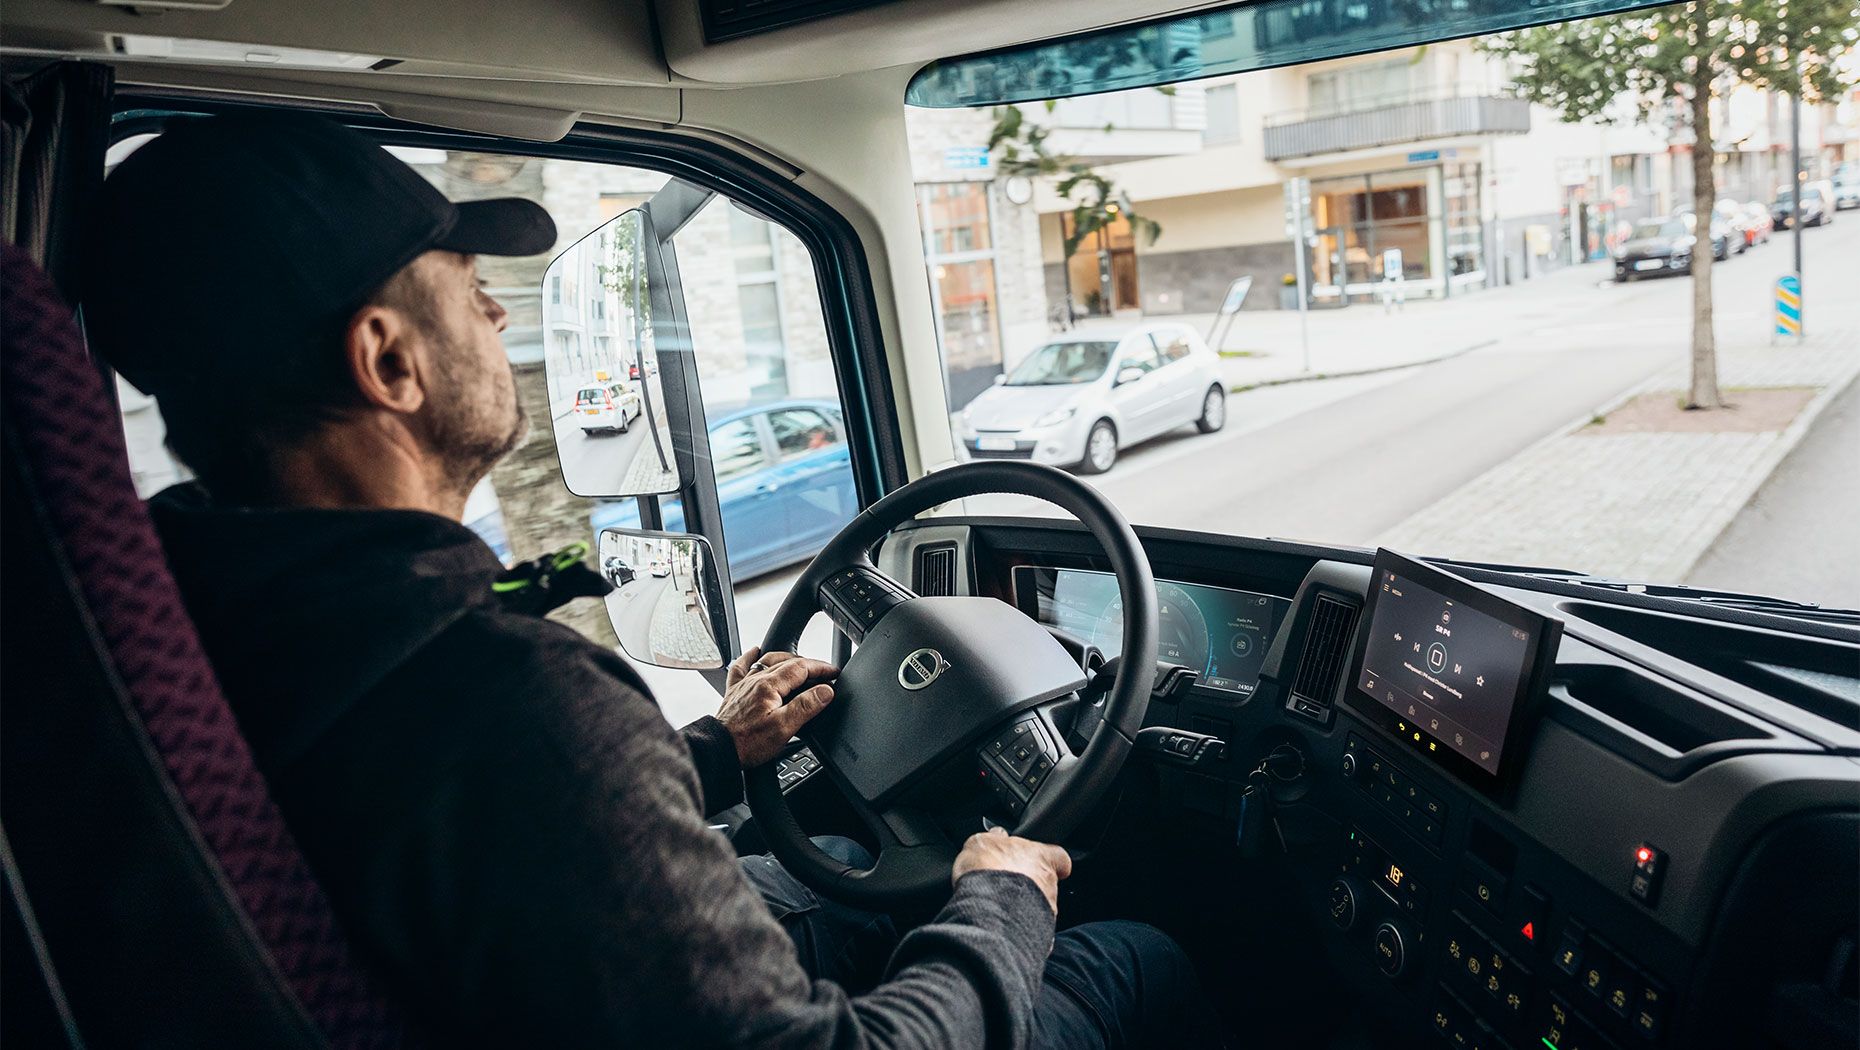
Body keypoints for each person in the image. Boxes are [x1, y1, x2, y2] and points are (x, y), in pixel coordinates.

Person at [81, 112, 1222, 1048]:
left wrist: (721, 752)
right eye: (468, 282)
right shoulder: (510, 698)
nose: (491, 312)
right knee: (1140, 957)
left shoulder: (182, 626)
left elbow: (493, 835)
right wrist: (1003, 893)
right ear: (388, 359)